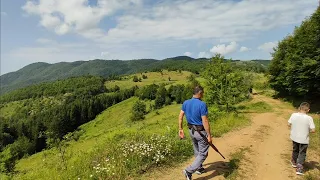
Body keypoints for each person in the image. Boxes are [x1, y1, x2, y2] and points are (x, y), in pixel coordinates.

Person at [178, 86, 212, 180]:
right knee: (203, 153)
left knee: (197, 150)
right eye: (203, 93)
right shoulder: (202, 104)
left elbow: (180, 116)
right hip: (200, 132)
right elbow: (205, 121)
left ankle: (199, 168)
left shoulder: (186, 102)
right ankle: (189, 171)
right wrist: (209, 135)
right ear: (200, 93)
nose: (203, 95)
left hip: (191, 131)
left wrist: (180, 129)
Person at [288, 102, 316, 175]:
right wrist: (307, 130)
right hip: (304, 139)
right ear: (308, 110)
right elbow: (313, 130)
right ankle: (299, 168)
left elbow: (288, 124)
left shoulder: (293, 115)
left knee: (295, 150)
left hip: (294, 137)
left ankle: (294, 162)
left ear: (299, 108)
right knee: (302, 153)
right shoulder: (309, 118)